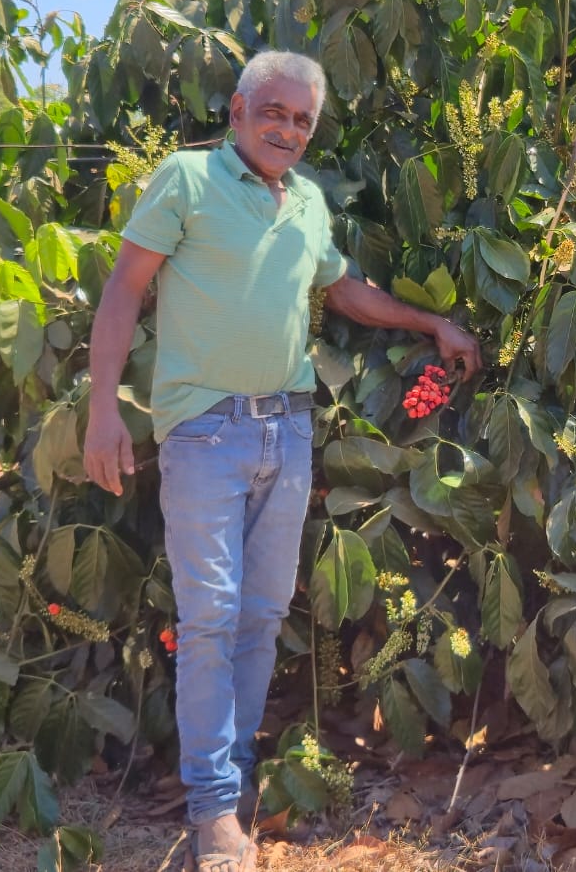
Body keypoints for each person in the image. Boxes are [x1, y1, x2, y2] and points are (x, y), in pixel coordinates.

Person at [83, 51, 480, 872]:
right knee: (210, 617)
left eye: (302, 118)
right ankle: (212, 813)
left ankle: (231, 782)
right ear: (236, 111)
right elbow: (124, 289)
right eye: (273, 111)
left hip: (285, 432)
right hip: (204, 433)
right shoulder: (185, 181)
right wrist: (101, 412)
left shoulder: (306, 201)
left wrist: (428, 322)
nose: (287, 128)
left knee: (262, 613)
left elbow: (342, 289)